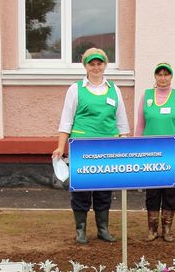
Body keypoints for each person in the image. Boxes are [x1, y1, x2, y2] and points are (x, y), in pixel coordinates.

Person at [51, 47, 130, 244]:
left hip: (108, 148)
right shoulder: (75, 89)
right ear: (85, 66)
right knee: (81, 190)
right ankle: (81, 230)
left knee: (104, 190)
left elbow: (122, 122)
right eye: (91, 64)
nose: (96, 67)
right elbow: (66, 121)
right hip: (82, 148)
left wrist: (124, 144)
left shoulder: (114, 90)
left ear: (105, 65)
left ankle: (103, 229)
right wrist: (61, 147)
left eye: (99, 63)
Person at [134, 62, 175, 242]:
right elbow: (140, 125)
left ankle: (167, 230)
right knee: (152, 192)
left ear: (171, 77)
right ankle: (152, 230)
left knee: (169, 192)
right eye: (159, 74)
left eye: (166, 74)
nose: (163, 78)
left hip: (173, 153)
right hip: (151, 153)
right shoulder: (146, 96)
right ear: (155, 76)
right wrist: (136, 150)